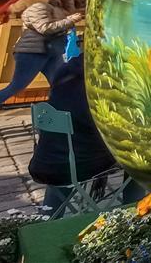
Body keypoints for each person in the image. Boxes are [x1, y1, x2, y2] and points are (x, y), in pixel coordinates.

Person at [28, 54, 118, 216]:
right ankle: (135, 213)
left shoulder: (64, 72)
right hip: (81, 164)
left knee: (68, 155)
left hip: (46, 161)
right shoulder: (102, 84)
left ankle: (48, 220)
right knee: (141, 164)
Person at [0, 0, 83, 117]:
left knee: (61, 84)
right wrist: (70, 20)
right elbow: (45, 27)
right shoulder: (38, 5)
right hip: (33, 51)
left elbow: (70, 14)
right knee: (16, 86)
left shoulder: (55, 5)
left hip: (51, 51)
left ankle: (62, 118)